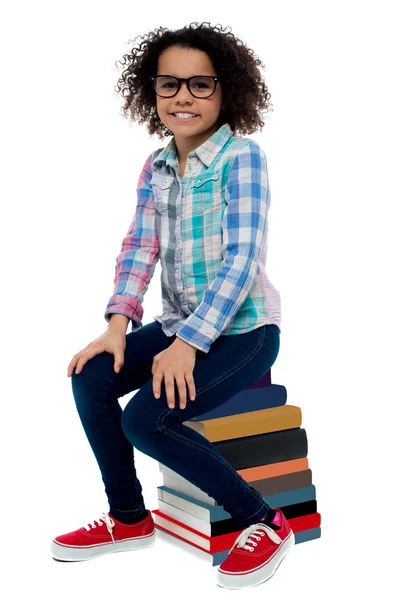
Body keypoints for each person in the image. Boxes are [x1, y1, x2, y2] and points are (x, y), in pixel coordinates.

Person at [50, 22, 294, 589]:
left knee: (146, 418)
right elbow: (140, 246)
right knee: (91, 376)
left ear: (227, 90)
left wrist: (188, 345)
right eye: (169, 85)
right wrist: (117, 326)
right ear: (151, 92)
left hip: (244, 331)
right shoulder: (156, 166)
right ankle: (131, 519)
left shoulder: (243, 158)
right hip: (177, 324)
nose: (183, 96)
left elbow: (241, 261)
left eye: (200, 84)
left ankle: (265, 519)